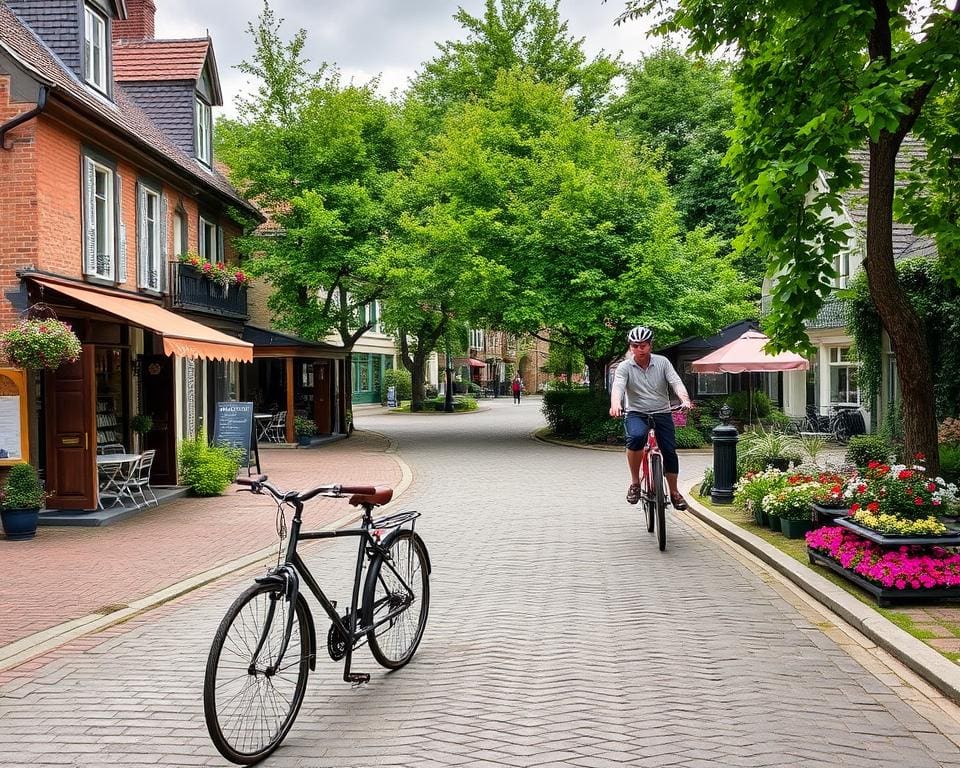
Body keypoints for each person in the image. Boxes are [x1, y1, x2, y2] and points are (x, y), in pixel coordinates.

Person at [609, 325, 692, 510]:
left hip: (662, 412)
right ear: (630, 346)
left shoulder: (662, 362)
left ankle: (674, 492)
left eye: (643, 345)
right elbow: (618, 387)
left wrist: (684, 399)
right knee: (636, 438)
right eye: (635, 345)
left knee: (669, 451)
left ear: (650, 345)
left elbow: (675, 381)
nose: (640, 349)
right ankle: (635, 483)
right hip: (636, 412)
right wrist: (616, 404)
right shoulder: (624, 367)